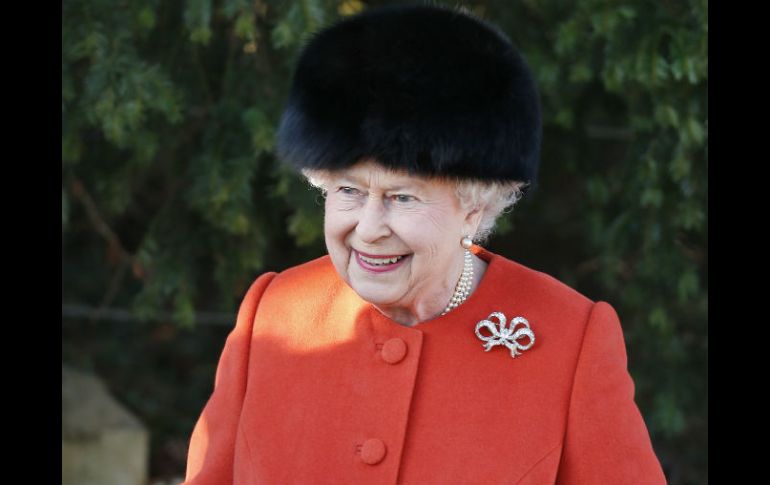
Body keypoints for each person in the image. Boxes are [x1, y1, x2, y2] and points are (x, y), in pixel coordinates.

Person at [182, 4, 667, 484]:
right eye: (348, 190)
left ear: (474, 207)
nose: (369, 228)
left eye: (402, 197)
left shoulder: (570, 341)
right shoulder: (274, 312)